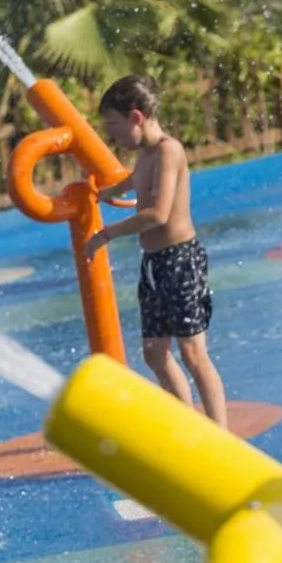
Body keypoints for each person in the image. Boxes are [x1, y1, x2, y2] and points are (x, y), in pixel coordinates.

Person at [83, 74, 228, 429]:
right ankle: (191, 429)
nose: (112, 135)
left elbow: (157, 214)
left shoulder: (168, 150)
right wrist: (108, 192)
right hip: (154, 264)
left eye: (114, 125)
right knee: (154, 352)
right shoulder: (144, 154)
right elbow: (135, 182)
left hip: (181, 260)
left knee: (193, 353)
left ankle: (221, 436)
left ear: (136, 116)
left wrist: (105, 234)